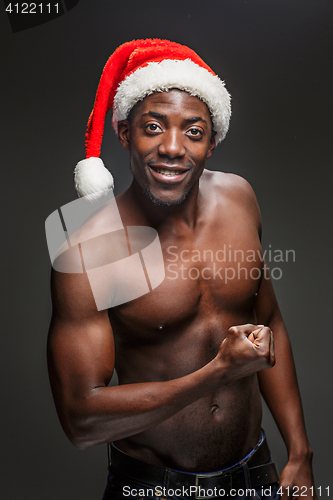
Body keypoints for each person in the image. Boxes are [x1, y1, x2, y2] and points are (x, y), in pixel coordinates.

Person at [47, 39, 315, 500]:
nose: (172, 148)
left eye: (193, 131)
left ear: (212, 143)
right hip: (152, 487)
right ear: (124, 132)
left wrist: (299, 454)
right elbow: (81, 419)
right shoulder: (88, 252)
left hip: (256, 473)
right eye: (153, 127)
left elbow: (268, 321)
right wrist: (215, 374)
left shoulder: (239, 199)